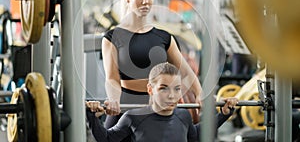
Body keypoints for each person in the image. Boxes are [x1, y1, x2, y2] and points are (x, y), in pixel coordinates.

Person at [101, 0, 203, 132]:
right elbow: (112, 78)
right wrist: (114, 100)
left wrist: (199, 93)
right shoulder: (112, 37)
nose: (145, 2)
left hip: (159, 105)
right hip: (126, 105)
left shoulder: (164, 37)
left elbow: (185, 71)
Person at [86, 62, 238, 142]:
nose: (172, 96)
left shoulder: (183, 116)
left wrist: (223, 115)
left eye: (177, 89)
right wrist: (92, 116)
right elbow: (106, 139)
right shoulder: (133, 117)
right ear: (151, 89)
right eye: (164, 89)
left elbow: (196, 135)